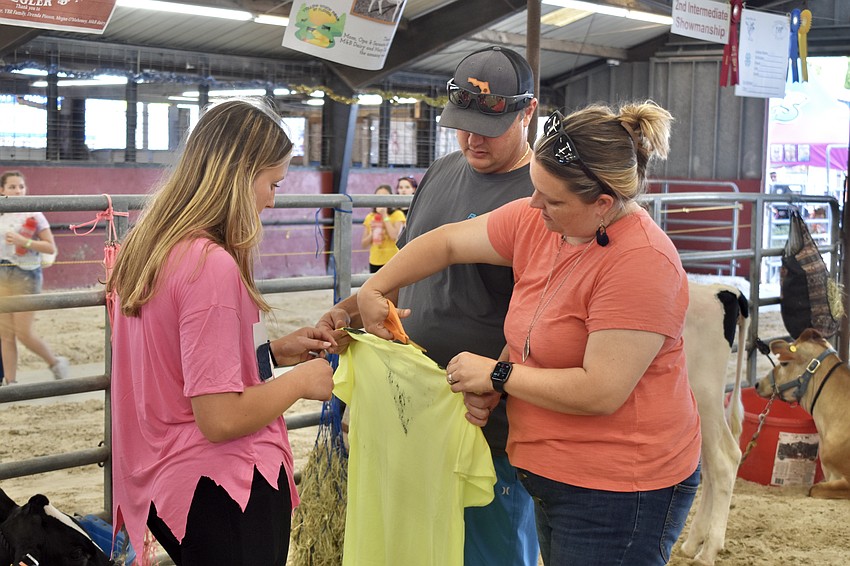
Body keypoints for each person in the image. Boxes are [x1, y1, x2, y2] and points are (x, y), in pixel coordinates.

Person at [356, 101, 701, 566]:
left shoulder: (641, 262)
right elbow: (449, 240)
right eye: (536, 188)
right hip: (551, 471)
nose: (534, 205)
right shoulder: (541, 224)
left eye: (552, 199)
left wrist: (499, 377)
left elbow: (601, 390)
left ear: (602, 204)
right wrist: (375, 288)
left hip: (619, 486)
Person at [319, 46, 540, 566]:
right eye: (461, 125)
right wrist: (346, 313)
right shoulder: (442, 171)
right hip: (411, 409)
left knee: (492, 553)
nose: (472, 140)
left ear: (528, 112)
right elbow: (397, 277)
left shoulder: (542, 195)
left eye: (489, 127)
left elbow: (544, 316)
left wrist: (501, 384)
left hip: (488, 425)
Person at [106, 98, 336, 565]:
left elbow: (173, 367)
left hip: (166, 483)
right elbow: (220, 419)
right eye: (272, 183)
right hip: (222, 487)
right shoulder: (210, 264)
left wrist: (267, 355)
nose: (272, 199)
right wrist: (300, 383)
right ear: (238, 175)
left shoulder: (145, 246)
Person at [0, 170, 69, 385]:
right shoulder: (1, 213)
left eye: (21, 186)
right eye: (12, 187)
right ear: (2, 190)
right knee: (5, 334)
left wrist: (24, 241)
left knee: (23, 332)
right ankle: (11, 383)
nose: (18, 190)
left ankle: (54, 361)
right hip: (2, 273)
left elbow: (50, 247)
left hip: (26, 274)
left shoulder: (35, 214)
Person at [361, 184, 406, 273]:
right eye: (378, 196)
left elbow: (394, 236)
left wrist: (384, 215)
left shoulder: (397, 214)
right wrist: (372, 233)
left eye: (385, 196)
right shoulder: (370, 217)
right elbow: (364, 244)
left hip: (392, 259)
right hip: (375, 260)